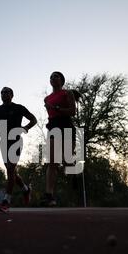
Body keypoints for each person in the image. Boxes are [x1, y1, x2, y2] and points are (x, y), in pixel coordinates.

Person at [0, 87, 37, 213]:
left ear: (12, 95)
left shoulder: (19, 108)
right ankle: (26, 190)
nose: (4, 94)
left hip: (16, 141)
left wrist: (26, 127)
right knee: (12, 173)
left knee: (10, 170)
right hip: (3, 143)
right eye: (2, 92)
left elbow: (34, 119)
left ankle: (6, 202)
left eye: (6, 92)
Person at [41, 72, 78, 207]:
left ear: (62, 80)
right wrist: (51, 110)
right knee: (52, 162)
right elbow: (51, 115)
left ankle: (73, 171)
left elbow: (73, 111)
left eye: (56, 76)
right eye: (51, 77)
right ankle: (49, 196)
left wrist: (56, 108)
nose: (53, 78)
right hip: (53, 126)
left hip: (66, 125)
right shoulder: (47, 98)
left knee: (66, 160)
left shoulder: (67, 93)